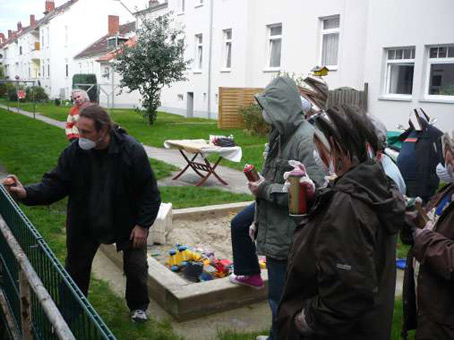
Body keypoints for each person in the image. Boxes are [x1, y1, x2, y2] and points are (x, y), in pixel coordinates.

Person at [3, 104, 161, 323]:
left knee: (136, 267)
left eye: (86, 132)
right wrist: (26, 192)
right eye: (79, 130)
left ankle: (138, 307)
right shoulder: (75, 152)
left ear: (104, 130)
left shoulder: (131, 151)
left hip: (126, 221)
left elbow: (149, 193)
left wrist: (143, 225)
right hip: (86, 222)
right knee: (76, 267)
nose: (80, 136)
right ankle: (70, 313)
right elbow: (55, 184)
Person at [277, 105, 406, 339]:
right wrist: (319, 198)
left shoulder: (349, 204)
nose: (317, 155)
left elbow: (347, 294)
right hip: (370, 325)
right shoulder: (376, 184)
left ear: (338, 149)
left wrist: (303, 323)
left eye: (320, 147)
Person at [229, 76, 325, 340]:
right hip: (277, 230)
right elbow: (271, 182)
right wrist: (257, 222)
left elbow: (312, 191)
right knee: (277, 298)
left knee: (285, 300)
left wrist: (264, 189)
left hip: (291, 237)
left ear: (282, 108)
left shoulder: (305, 140)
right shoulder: (281, 134)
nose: (264, 114)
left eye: (269, 108)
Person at [401, 130, 454, 339]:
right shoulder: (447, 191)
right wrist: (413, 221)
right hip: (432, 315)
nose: (446, 165)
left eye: (449, 158)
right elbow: (429, 228)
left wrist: (424, 238)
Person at [397, 108, 443, 203]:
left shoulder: (434, 133)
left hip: (422, 182)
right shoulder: (410, 133)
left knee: (420, 208)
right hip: (406, 180)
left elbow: (442, 155)